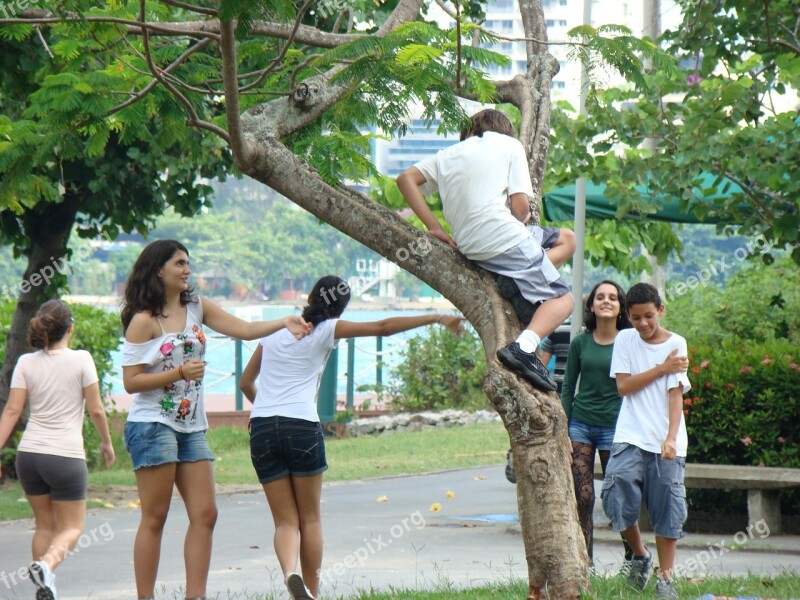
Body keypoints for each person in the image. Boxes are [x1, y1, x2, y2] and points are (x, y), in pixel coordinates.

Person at [239, 275, 464, 600]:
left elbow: (247, 382)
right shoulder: (328, 329)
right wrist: (437, 316)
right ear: (340, 309)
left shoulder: (277, 328)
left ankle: (290, 573)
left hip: (261, 427)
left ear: (311, 296)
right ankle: (312, 593)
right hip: (301, 425)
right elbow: (382, 327)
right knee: (311, 517)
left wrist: (265, 410)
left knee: (285, 521)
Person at [120, 239, 311, 600]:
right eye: (179, 263)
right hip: (152, 426)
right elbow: (131, 382)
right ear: (158, 269)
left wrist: (284, 322)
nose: (187, 270)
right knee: (155, 517)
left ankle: (197, 596)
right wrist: (177, 372)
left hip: (192, 427)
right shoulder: (143, 321)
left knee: (206, 514)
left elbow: (243, 329)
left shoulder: (197, 306)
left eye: (188, 263)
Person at [397, 108, 575, 393]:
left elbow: (405, 178)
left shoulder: (447, 155)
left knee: (566, 238)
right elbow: (519, 208)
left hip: (469, 245)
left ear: (469, 131)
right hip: (503, 237)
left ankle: (517, 278)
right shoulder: (509, 144)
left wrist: (435, 228)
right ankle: (523, 348)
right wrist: (518, 217)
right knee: (562, 301)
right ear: (505, 129)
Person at [0, 299, 116, 600]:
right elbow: (98, 410)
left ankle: (45, 585)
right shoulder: (81, 359)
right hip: (65, 456)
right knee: (73, 527)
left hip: (30, 456)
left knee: (45, 525)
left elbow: (12, 411)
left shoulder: (26, 362)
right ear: (70, 329)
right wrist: (106, 441)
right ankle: (46, 567)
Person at [601, 283, 691, 600]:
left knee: (668, 506)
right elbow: (624, 387)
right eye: (636, 317)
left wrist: (670, 438)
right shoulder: (625, 339)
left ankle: (665, 579)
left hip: (667, 441)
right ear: (628, 316)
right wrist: (662, 367)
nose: (643, 324)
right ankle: (639, 555)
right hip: (630, 434)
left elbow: (675, 395)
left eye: (649, 317)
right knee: (616, 489)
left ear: (661, 310)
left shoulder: (677, 343)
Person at [560, 281, 633, 567]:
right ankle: (584, 563)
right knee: (584, 496)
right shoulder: (580, 342)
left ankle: (633, 557)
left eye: (612, 298)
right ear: (591, 305)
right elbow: (568, 387)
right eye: (600, 297)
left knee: (616, 495)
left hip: (615, 427)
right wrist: (563, 430)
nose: (606, 301)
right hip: (581, 425)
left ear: (620, 306)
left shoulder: (629, 341)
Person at [504, 320, 571, 484]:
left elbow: (541, 364)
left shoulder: (558, 330)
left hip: (558, 389)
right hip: (576, 393)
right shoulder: (586, 333)